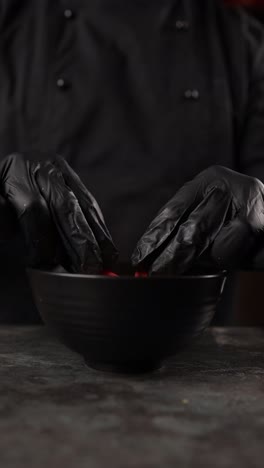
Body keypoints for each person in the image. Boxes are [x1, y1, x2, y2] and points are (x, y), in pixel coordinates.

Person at [0, 0, 264, 322]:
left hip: (192, 350)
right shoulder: (9, 24)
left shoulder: (244, 44)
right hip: (19, 352)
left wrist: (259, 206)